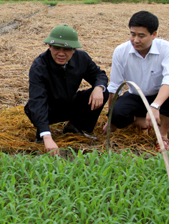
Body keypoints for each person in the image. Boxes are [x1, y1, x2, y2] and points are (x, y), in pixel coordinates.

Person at [25, 25, 109, 156]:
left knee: (103, 91)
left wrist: (98, 87)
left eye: (66, 49)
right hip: (48, 109)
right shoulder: (39, 65)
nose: (61, 53)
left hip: (69, 103)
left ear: (74, 50)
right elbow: (37, 100)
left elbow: (100, 75)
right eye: (56, 48)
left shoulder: (82, 58)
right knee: (33, 107)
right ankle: (41, 134)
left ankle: (76, 127)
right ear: (49, 47)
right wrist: (47, 136)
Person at [102, 11, 169, 152]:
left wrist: (155, 106)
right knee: (117, 114)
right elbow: (115, 86)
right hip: (135, 97)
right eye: (133, 34)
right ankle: (143, 122)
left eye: (141, 36)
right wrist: (111, 119)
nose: (136, 40)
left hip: (159, 97)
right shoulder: (121, 51)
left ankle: (162, 135)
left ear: (154, 34)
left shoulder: (167, 48)